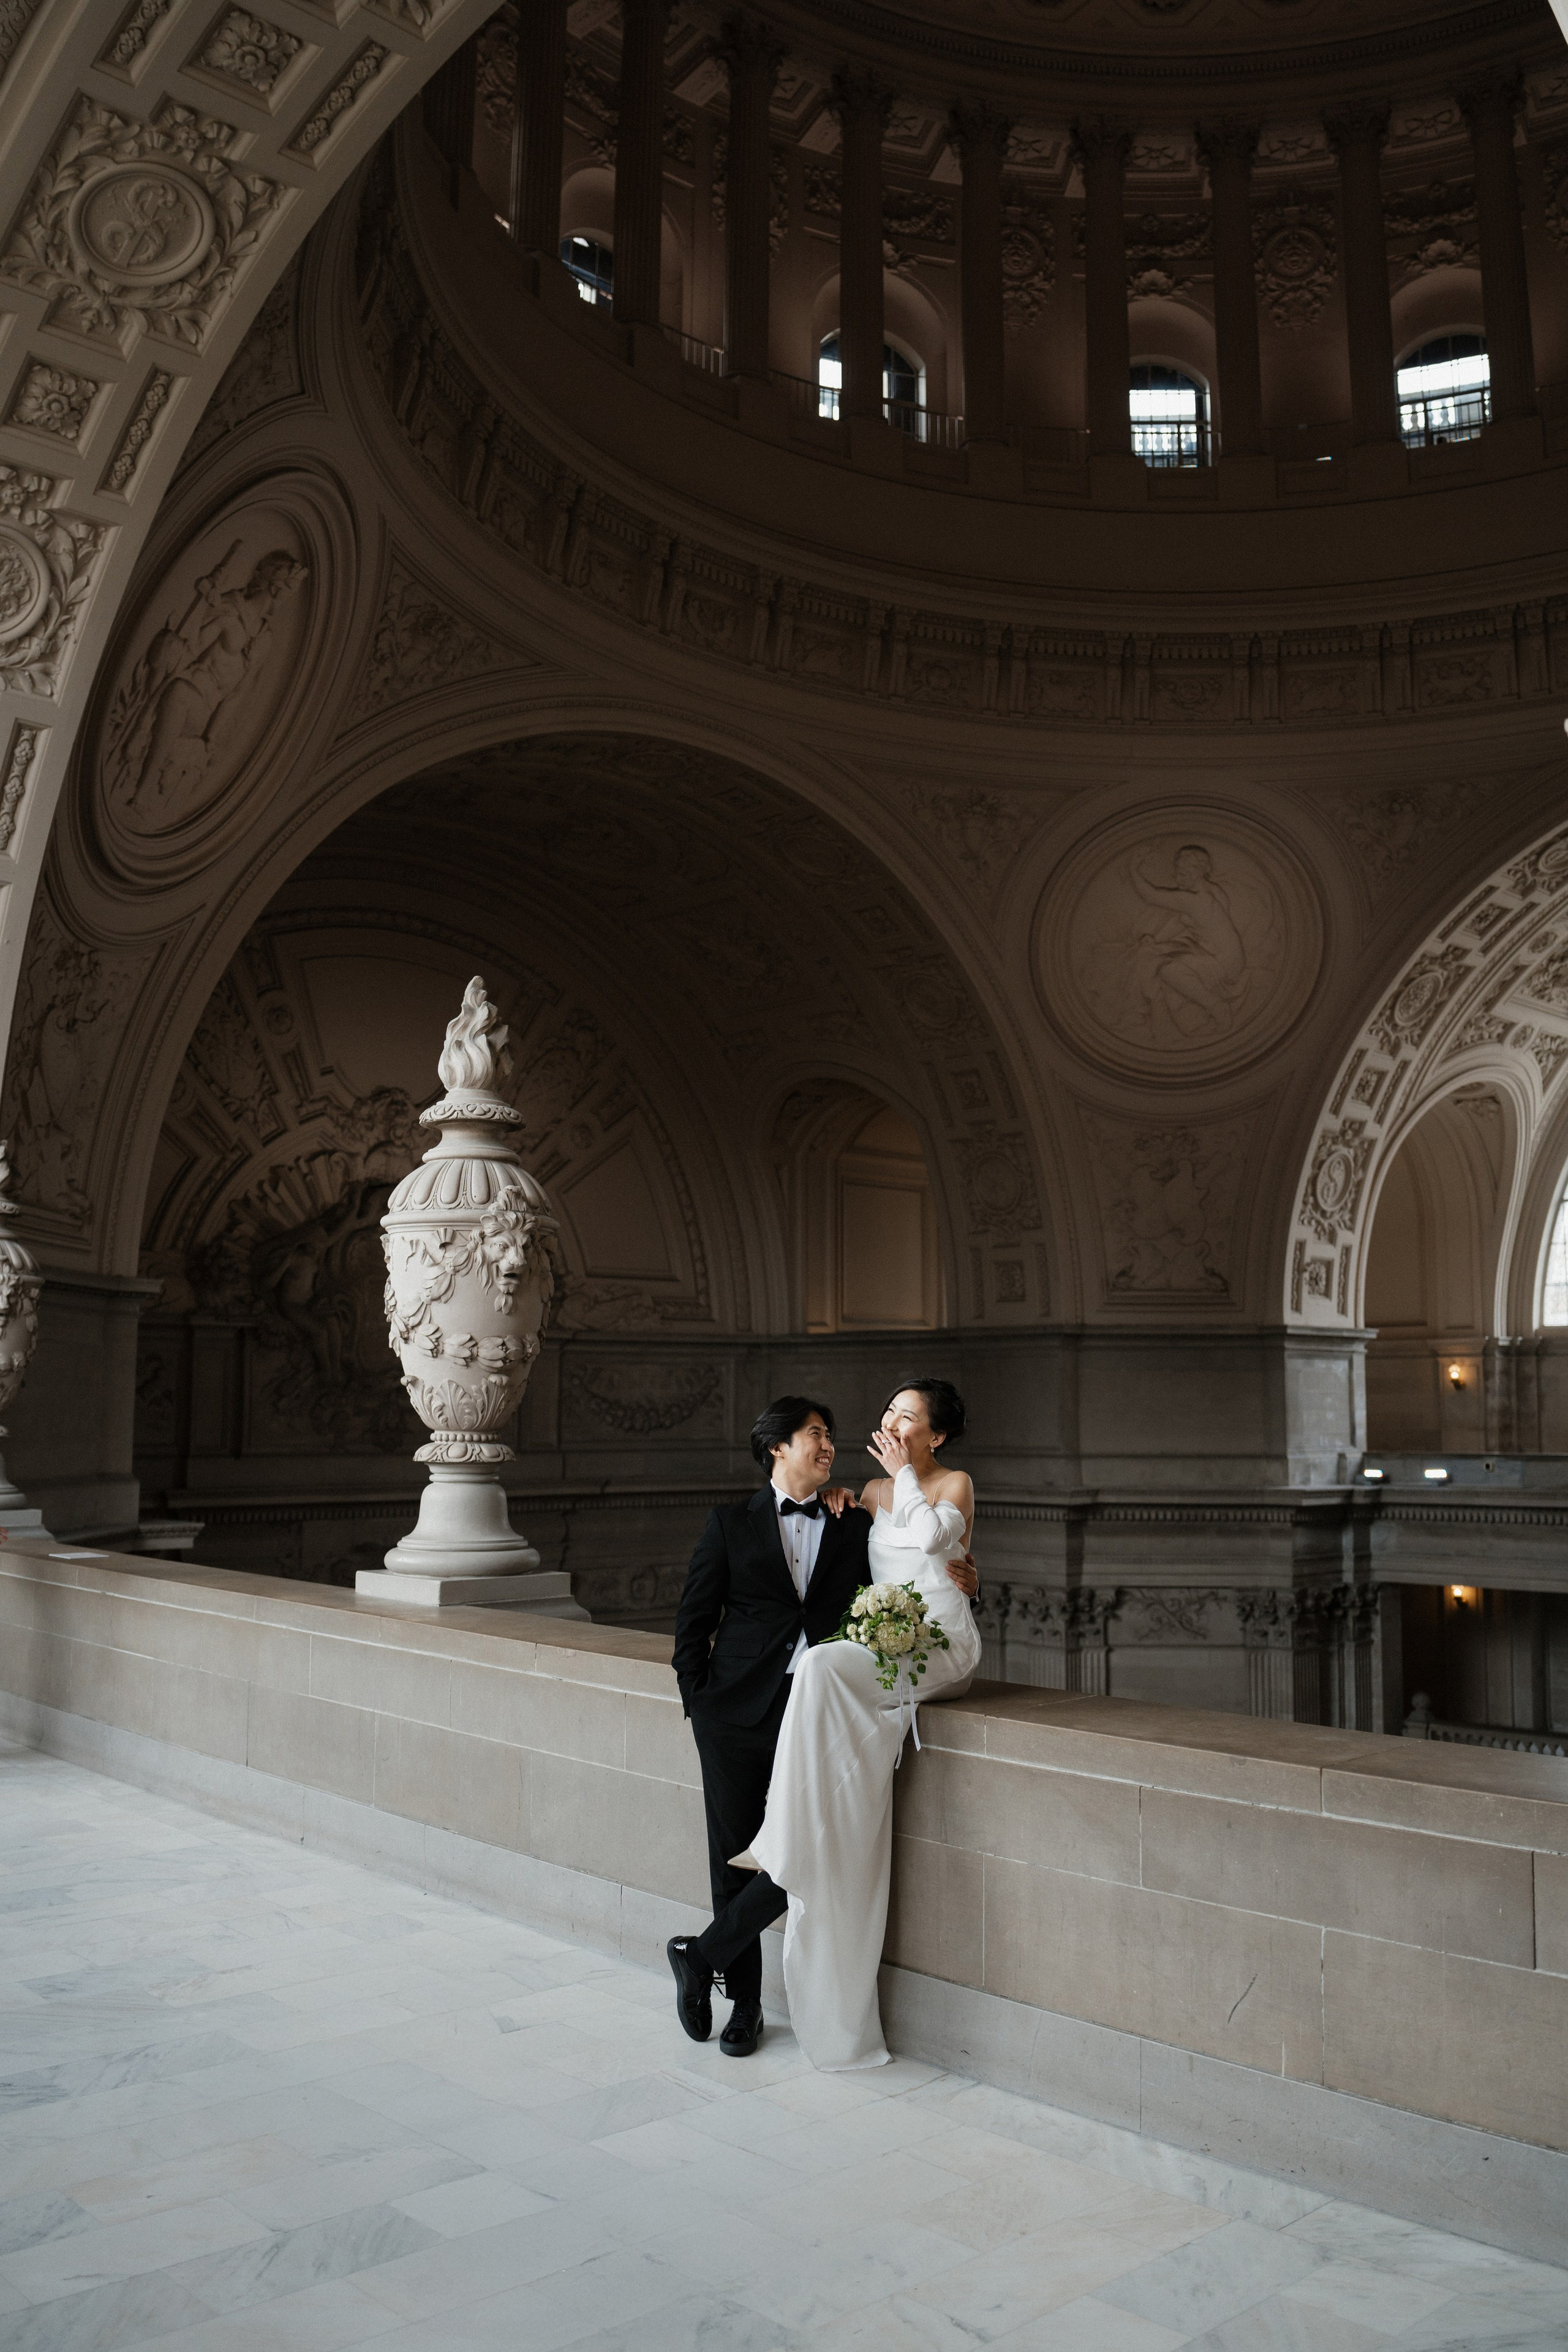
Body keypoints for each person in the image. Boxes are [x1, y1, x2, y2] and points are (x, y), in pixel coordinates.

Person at [668, 1392, 976, 2058]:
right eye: (814, 1432)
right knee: (734, 1861)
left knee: (806, 1843)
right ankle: (742, 2005)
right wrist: (700, 1705)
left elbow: (919, 1573)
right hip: (735, 1714)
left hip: (819, 1714)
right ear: (778, 1446)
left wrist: (970, 1579)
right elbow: (693, 1622)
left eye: (830, 1432)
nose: (828, 1441)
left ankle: (701, 1954)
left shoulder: (847, 1519)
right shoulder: (730, 1523)